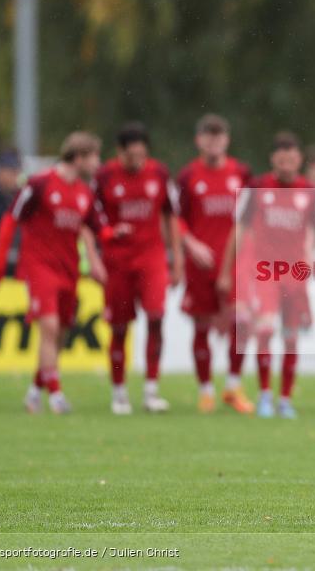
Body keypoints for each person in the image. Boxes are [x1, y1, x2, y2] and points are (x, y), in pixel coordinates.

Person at [0, 132, 107, 414]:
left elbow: (98, 228)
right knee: (50, 327)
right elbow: (10, 219)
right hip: (39, 267)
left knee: (60, 334)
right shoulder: (39, 183)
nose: (98, 163)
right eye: (95, 157)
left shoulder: (85, 192)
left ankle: (34, 391)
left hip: (69, 270)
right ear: (79, 157)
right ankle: (56, 395)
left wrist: (115, 235)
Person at [218, 131, 315, 419]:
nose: (286, 165)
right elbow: (239, 229)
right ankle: (265, 396)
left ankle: (285, 399)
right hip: (265, 273)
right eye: (281, 160)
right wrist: (227, 270)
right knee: (265, 330)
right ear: (273, 159)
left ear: (299, 160)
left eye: (291, 160)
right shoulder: (257, 188)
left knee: (291, 338)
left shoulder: (311, 192)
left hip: (295, 275)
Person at [94, 122, 183, 415]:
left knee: (156, 317)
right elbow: (91, 220)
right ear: (120, 152)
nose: (137, 161)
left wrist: (177, 259)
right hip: (117, 261)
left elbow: (171, 215)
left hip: (151, 257)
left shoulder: (159, 173)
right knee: (120, 328)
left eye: (141, 155)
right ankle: (119, 392)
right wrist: (103, 242)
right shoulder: (104, 176)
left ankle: (151, 390)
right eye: (131, 156)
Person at [177, 114, 254, 414]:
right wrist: (191, 243)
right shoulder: (188, 176)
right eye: (208, 138)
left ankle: (233, 386)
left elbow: (248, 220)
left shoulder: (241, 173)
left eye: (219, 137)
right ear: (199, 141)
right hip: (200, 264)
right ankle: (206, 391)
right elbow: (176, 219)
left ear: (227, 140)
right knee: (202, 326)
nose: (214, 143)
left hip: (235, 262)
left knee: (241, 321)